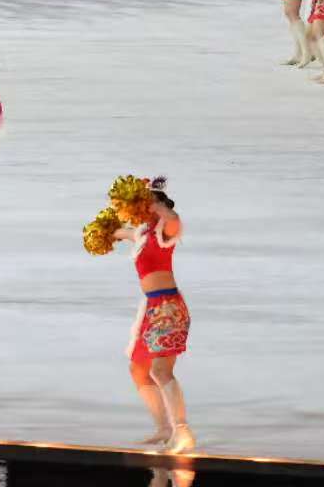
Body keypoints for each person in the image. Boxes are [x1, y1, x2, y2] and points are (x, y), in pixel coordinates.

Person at [109, 180, 193, 453]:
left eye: (141, 206)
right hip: (151, 308)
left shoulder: (165, 229)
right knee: (139, 369)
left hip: (168, 307)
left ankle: (182, 432)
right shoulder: (144, 231)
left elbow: (174, 220)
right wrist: (109, 232)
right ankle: (163, 428)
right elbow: (128, 233)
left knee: (161, 370)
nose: (137, 211)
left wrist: (154, 203)